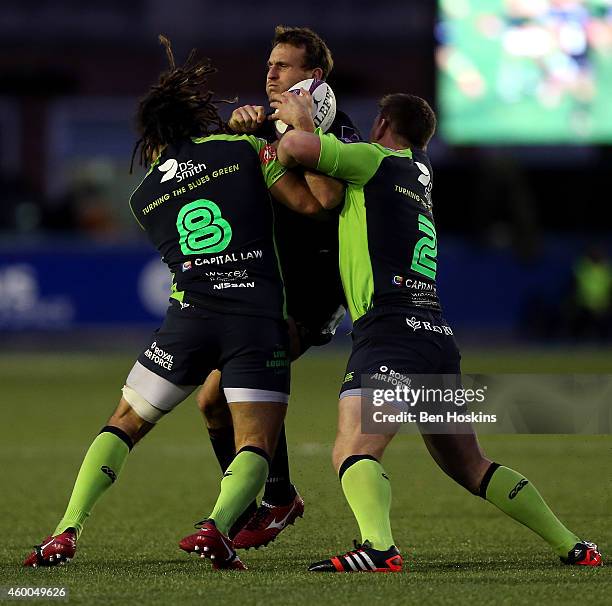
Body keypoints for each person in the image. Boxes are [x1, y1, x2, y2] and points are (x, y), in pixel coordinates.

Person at [23, 36, 336, 571]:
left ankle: (64, 533)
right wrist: (291, 136)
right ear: (196, 117)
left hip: (188, 320)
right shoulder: (243, 151)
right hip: (255, 318)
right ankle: (217, 527)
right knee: (255, 441)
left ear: (153, 138)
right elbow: (314, 203)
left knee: (124, 420)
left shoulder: (142, 197)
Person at [274, 91, 603, 572]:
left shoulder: (374, 160)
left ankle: (379, 549)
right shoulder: (418, 174)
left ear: (383, 122)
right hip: (433, 337)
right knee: (470, 464)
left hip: (390, 333)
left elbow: (298, 150)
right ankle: (572, 544)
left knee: (353, 448)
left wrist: (298, 119)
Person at [195, 25, 361, 550]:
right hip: (269, 290)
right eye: (269, 64)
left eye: (283, 66)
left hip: (313, 293)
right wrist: (240, 132)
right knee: (211, 402)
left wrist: (294, 132)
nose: (270, 74)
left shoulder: (339, 129)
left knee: (234, 392)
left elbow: (325, 200)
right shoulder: (269, 124)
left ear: (314, 77)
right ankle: (272, 496)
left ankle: (276, 499)